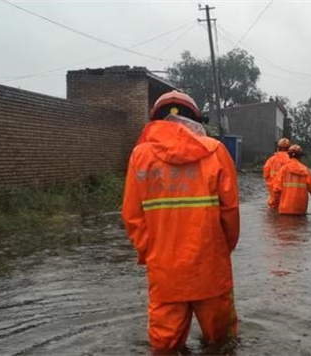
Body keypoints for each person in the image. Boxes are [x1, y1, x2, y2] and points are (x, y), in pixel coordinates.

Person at [121, 90, 240, 353]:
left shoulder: (140, 155)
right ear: (196, 120)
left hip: (165, 272)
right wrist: (222, 251)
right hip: (210, 269)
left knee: (164, 347)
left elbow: (132, 216)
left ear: (157, 119)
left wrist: (151, 253)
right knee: (221, 343)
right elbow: (230, 212)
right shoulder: (216, 151)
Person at [271, 144, 311, 215]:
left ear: (289, 155)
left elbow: (276, 189)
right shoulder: (306, 170)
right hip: (300, 210)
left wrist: (273, 204)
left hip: (285, 209)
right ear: (300, 156)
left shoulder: (283, 169)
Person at [262, 138, 291, 208]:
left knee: (272, 210)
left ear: (278, 148)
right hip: (287, 190)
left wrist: (271, 183)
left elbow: (265, 174)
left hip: (273, 190)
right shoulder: (291, 160)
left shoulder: (271, 159)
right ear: (289, 148)